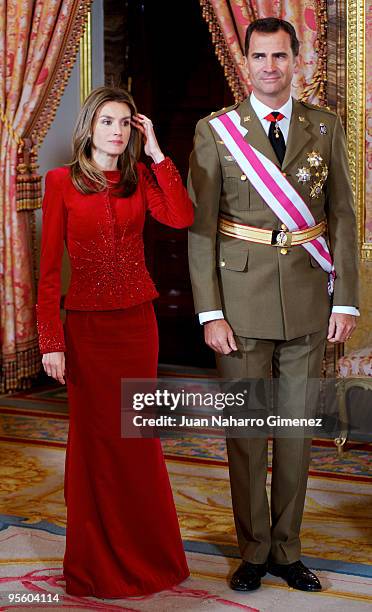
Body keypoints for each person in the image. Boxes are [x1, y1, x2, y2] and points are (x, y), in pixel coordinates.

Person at [188, 18, 359, 593]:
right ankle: (253, 551)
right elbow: (201, 230)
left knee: (293, 435)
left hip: (311, 302)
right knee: (246, 435)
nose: (269, 66)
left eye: (279, 56)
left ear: (295, 59)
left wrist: (348, 303)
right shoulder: (217, 132)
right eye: (259, 56)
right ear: (247, 63)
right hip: (239, 308)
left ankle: (288, 550)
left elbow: (341, 217)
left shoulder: (324, 126)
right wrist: (210, 312)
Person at [36, 86, 193, 597]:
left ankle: (149, 557)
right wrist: (49, 341)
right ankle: (95, 562)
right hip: (85, 331)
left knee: (137, 441)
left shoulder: (139, 178)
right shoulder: (60, 182)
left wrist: (158, 154)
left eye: (126, 123)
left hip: (136, 327)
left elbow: (181, 216)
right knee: (95, 444)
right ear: (90, 126)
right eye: (108, 121)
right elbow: (47, 274)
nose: (117, 131)